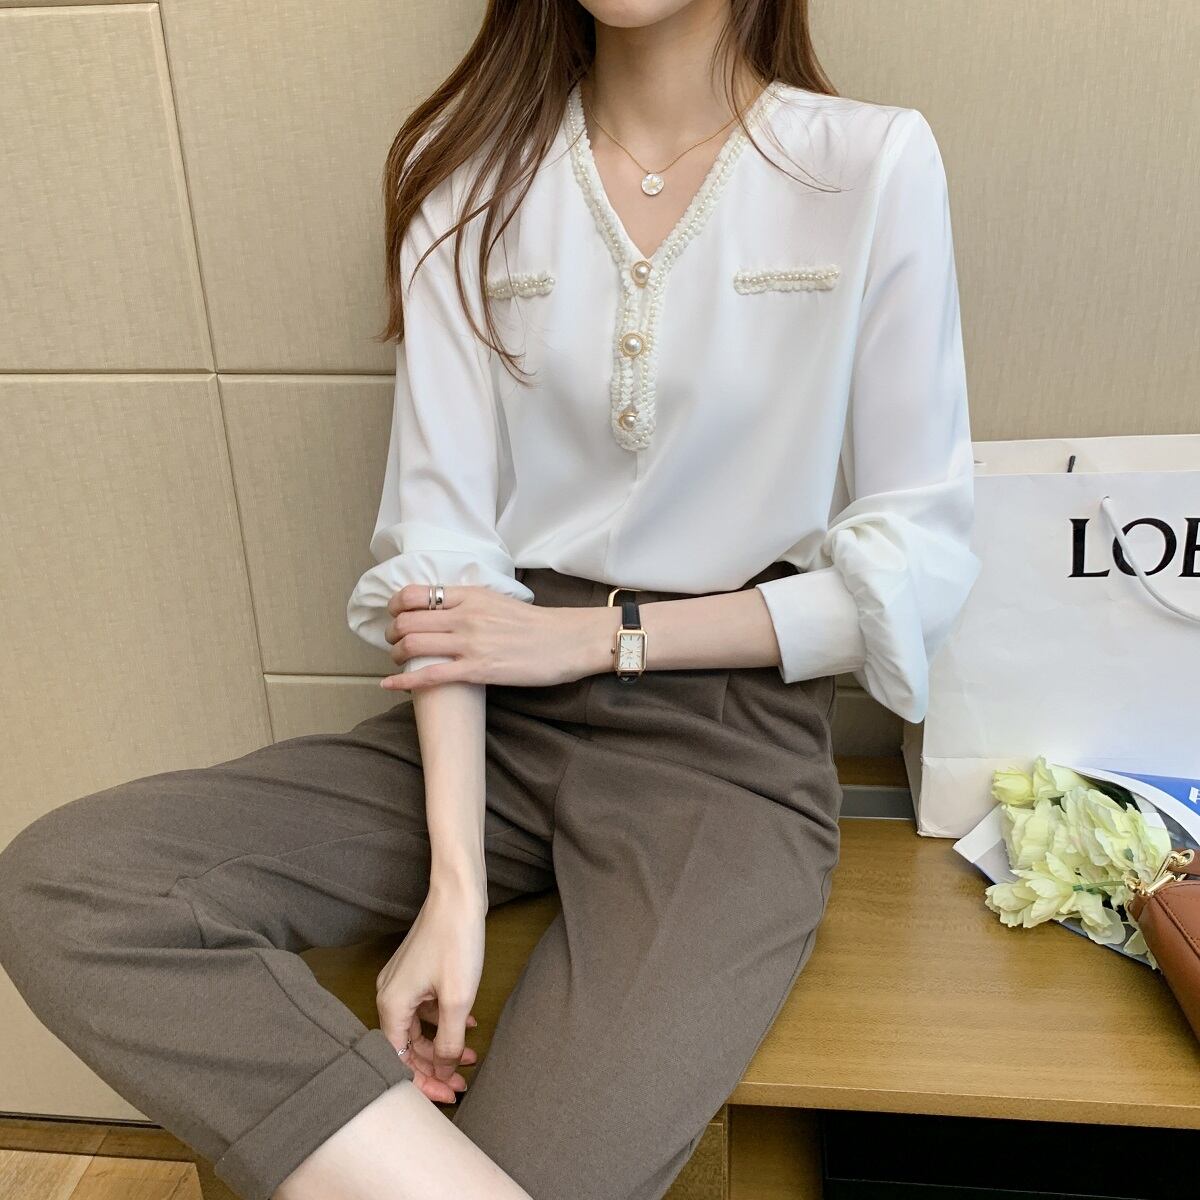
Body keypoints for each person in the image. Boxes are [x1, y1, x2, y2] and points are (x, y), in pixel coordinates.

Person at [0, 1, 982, 1198]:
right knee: (69, 887)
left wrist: (596, 638)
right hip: (486, 723)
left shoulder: (869, 164)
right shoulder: (466, 179)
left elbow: (917, 567)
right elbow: (442, 556)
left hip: (723, 753)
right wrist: (453, 887)